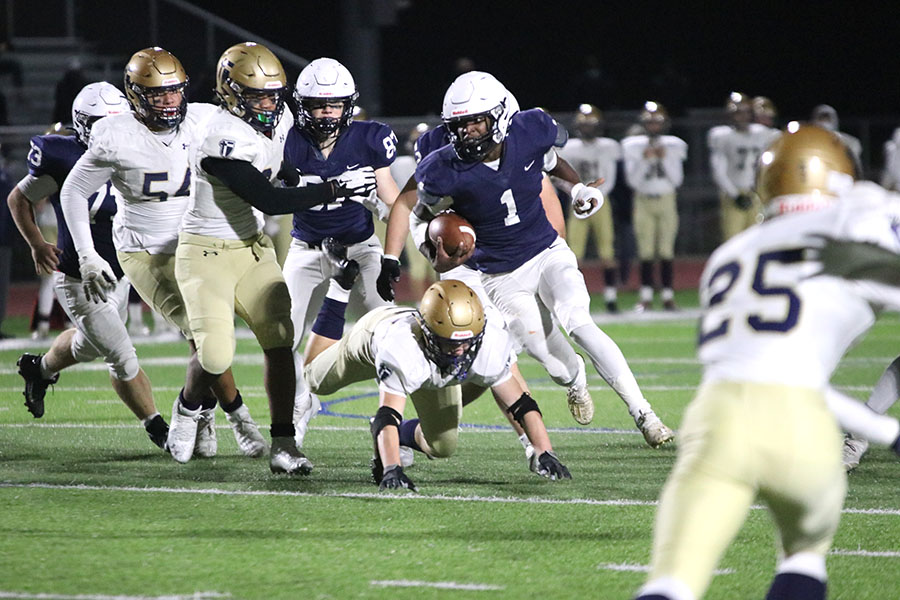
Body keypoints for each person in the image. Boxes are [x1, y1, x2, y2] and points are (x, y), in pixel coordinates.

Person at [633, 124, 900, 600]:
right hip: (800, 424)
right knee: (804, 552)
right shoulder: (854, 222)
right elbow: (792, 381)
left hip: (715, 418)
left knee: (673, 581)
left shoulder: (729, 254)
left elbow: (761, 368)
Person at [407, 72, 674, 448]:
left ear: (500, 116)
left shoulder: (529, 130)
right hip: (500, 275)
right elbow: (418, 216)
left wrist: (577, 187)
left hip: (547, 253)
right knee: (557, 366)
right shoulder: (442, 168)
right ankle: (577, 378)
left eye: (476, 121)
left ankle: (644, 414)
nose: (468, 133)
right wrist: (432, 248)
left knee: (580, 323)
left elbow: (552, 162)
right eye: (460, 125)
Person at [171, 42, 376, 471]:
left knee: (281, 338)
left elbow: (278, 167)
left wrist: (295, 171)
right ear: (230, 93)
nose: (268, 104)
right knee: (214, 355)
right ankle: (190, 407)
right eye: (256, 97)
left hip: (252, 248)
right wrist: (337, 187)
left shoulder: (277, 119)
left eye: (273, 95)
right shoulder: (220, 135)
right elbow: (268, 197)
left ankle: (285, 444)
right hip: (205, 251)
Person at [59, 47, 258, 463]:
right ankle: (233, 417)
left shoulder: (203, 118)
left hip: (198, 241)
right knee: (204, 336)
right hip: (145, 249)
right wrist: (88, 254)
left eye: (175, 91)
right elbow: (73, 191)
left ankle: (203, 414)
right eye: (157, 93)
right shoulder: (116, 134)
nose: (169, 101)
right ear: (135, 95)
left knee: (208, 337)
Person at [7, 82, 169, 448]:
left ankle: (40, 369)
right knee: (122, 357)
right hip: (78, 276)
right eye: (101, 125)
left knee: (91, 345)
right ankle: (160, 429)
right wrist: (36, 243)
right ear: (83, 126)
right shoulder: (64, 157)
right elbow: (19, 198)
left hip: (122, 272)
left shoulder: (137, 149)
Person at [304, 275, 571, 491]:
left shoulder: (489, 343)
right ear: (428, 333)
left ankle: (400, 440)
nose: (459, 352)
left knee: (442, 446)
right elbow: (388, 415)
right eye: (451, 343)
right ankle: (339, 288)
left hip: (427, 363)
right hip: (372, 336)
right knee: (314, 380)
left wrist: (545, 451)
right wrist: (391, 469)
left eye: (467, 343)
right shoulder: (403, 349)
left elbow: (521, 403)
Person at [281, 57, 399, 449]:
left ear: (348, 105)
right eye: (318, 104)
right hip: (307, 248)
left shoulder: (368, 138)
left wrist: (374, 204)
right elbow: (270, 194)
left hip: (361, 247)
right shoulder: (286, 138)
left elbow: (392, 202)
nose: (327, 112)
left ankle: (391, 427)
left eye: (334, 104)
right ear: (303, 105)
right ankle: (296, 415)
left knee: (389, 333)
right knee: (281, 339)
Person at [622, 101, 688, 311]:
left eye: (656, 122)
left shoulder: (673, 145)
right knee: (646, 251)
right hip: (643, 199)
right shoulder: (633, 145)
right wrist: (645, 159)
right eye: (650, 123)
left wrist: (664, 158)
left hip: (667, 198)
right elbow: (632, 181)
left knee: (666, 250)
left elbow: (677, 180)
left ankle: (668, 297)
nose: (653, 127)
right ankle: (646, 297)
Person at [557, 103, 623, 312]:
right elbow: (560, 177)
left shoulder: (608, 146)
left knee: (607, 251)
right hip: (578, 203)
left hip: (600, 202)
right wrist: (577, 194)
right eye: (584, 125)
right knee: (574, 253)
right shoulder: (570, 147)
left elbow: (609, 178)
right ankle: (573, 299)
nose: (587, 128)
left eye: (590, 124)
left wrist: (594, 196)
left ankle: (611, 298)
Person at [707, 92, 780, 242]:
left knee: (757, 240)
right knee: (733, 241)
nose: (742, 117)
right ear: (730, 115)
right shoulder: (722, 136)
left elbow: (783, 137)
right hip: (734, 193)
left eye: (746, 112)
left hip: (756, 193)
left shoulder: (762, 133)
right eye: (738, 113)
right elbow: (718, 170)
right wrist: (734, 194)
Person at [388, 122, 435, 297]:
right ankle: (420, 305)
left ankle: (441, 304)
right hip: (413, 218)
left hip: (438, 219)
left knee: (439, 267)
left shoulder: (442, 162)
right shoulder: (401, 164)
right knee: (418, 267)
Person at [810, 104, 863, 174]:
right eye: (821, 119)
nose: (824, 123)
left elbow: (855, 164)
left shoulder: (849, 141)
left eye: (827, 119)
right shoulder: (808, 140)